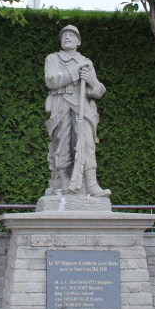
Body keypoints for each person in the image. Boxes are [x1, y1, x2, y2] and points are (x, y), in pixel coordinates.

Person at [44, 25, 110, 197]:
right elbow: (51, 81)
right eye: (64, 35)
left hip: (83, 107)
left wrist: (91, 80)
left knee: (87, 144)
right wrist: (75, 72)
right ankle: (63, 186)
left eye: (72, 36)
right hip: (60, 105)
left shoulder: (86, 62)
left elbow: (99, 91)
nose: (67, 37)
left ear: (78, 41)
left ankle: (92, 185)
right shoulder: (52, 59)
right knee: (62, 145)